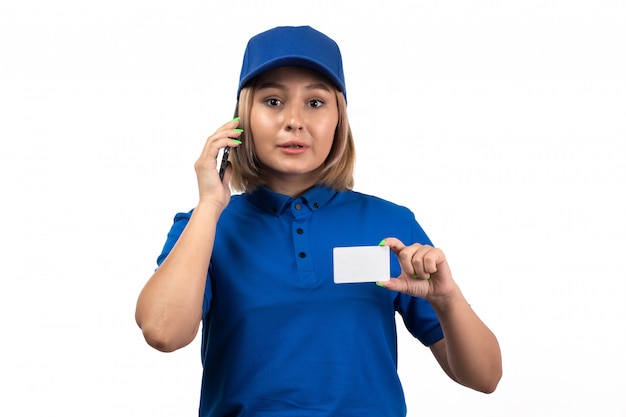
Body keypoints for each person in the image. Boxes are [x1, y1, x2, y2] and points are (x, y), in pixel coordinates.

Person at [135, 25, 502, 417]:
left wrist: (447, 300)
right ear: (241, 119)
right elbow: (162, 332)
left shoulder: (390, 223)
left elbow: (485, 377)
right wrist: (210, 204)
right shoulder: (205, 228)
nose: (294, 120)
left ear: (339, 119)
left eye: (315, 103)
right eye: (273, 101)